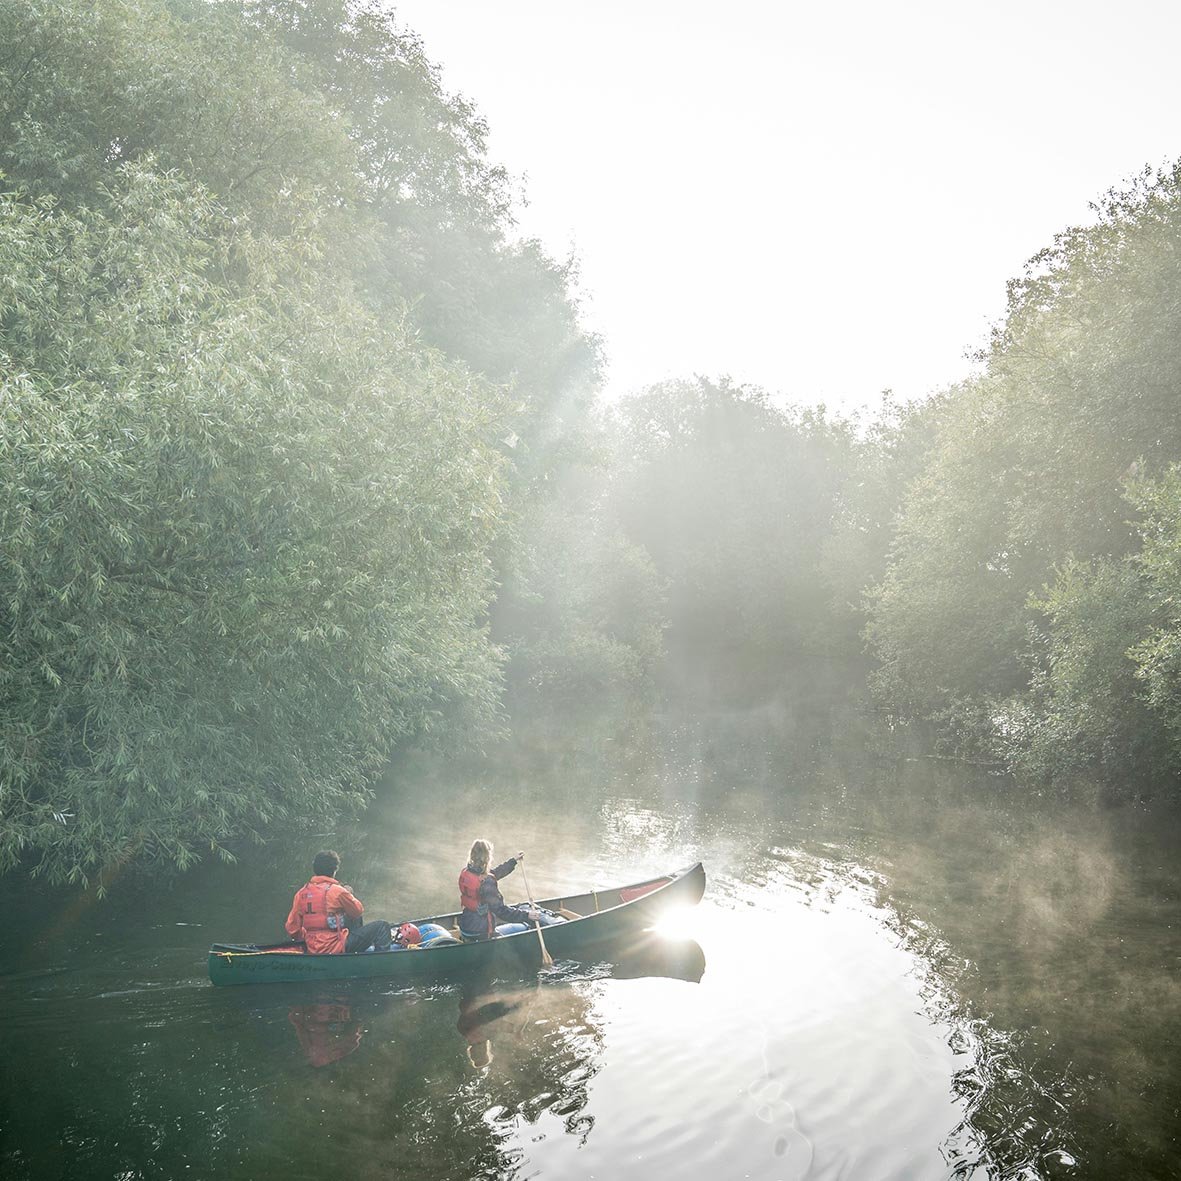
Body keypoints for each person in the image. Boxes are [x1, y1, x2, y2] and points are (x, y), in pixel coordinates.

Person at [285, 850, 392, 954]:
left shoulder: (301, 893)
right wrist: (349, 893)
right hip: (336, 946)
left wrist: (309, 937)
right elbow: (358, 910)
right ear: (334, 870)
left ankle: (353, 953)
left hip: (312, 947)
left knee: (355, 918)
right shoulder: (337, 891)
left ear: (314, 869)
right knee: (382, 926)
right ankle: (380, 962)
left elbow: (292, 929)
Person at [457, 839, 564, 942]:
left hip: (465, 928)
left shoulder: (467, 872)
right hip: (481, 934)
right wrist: (527, 915)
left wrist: (513, 861)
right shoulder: (487, 882)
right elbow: (501, 911)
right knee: (526, 927)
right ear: (487, 857)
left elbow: (493, 874)